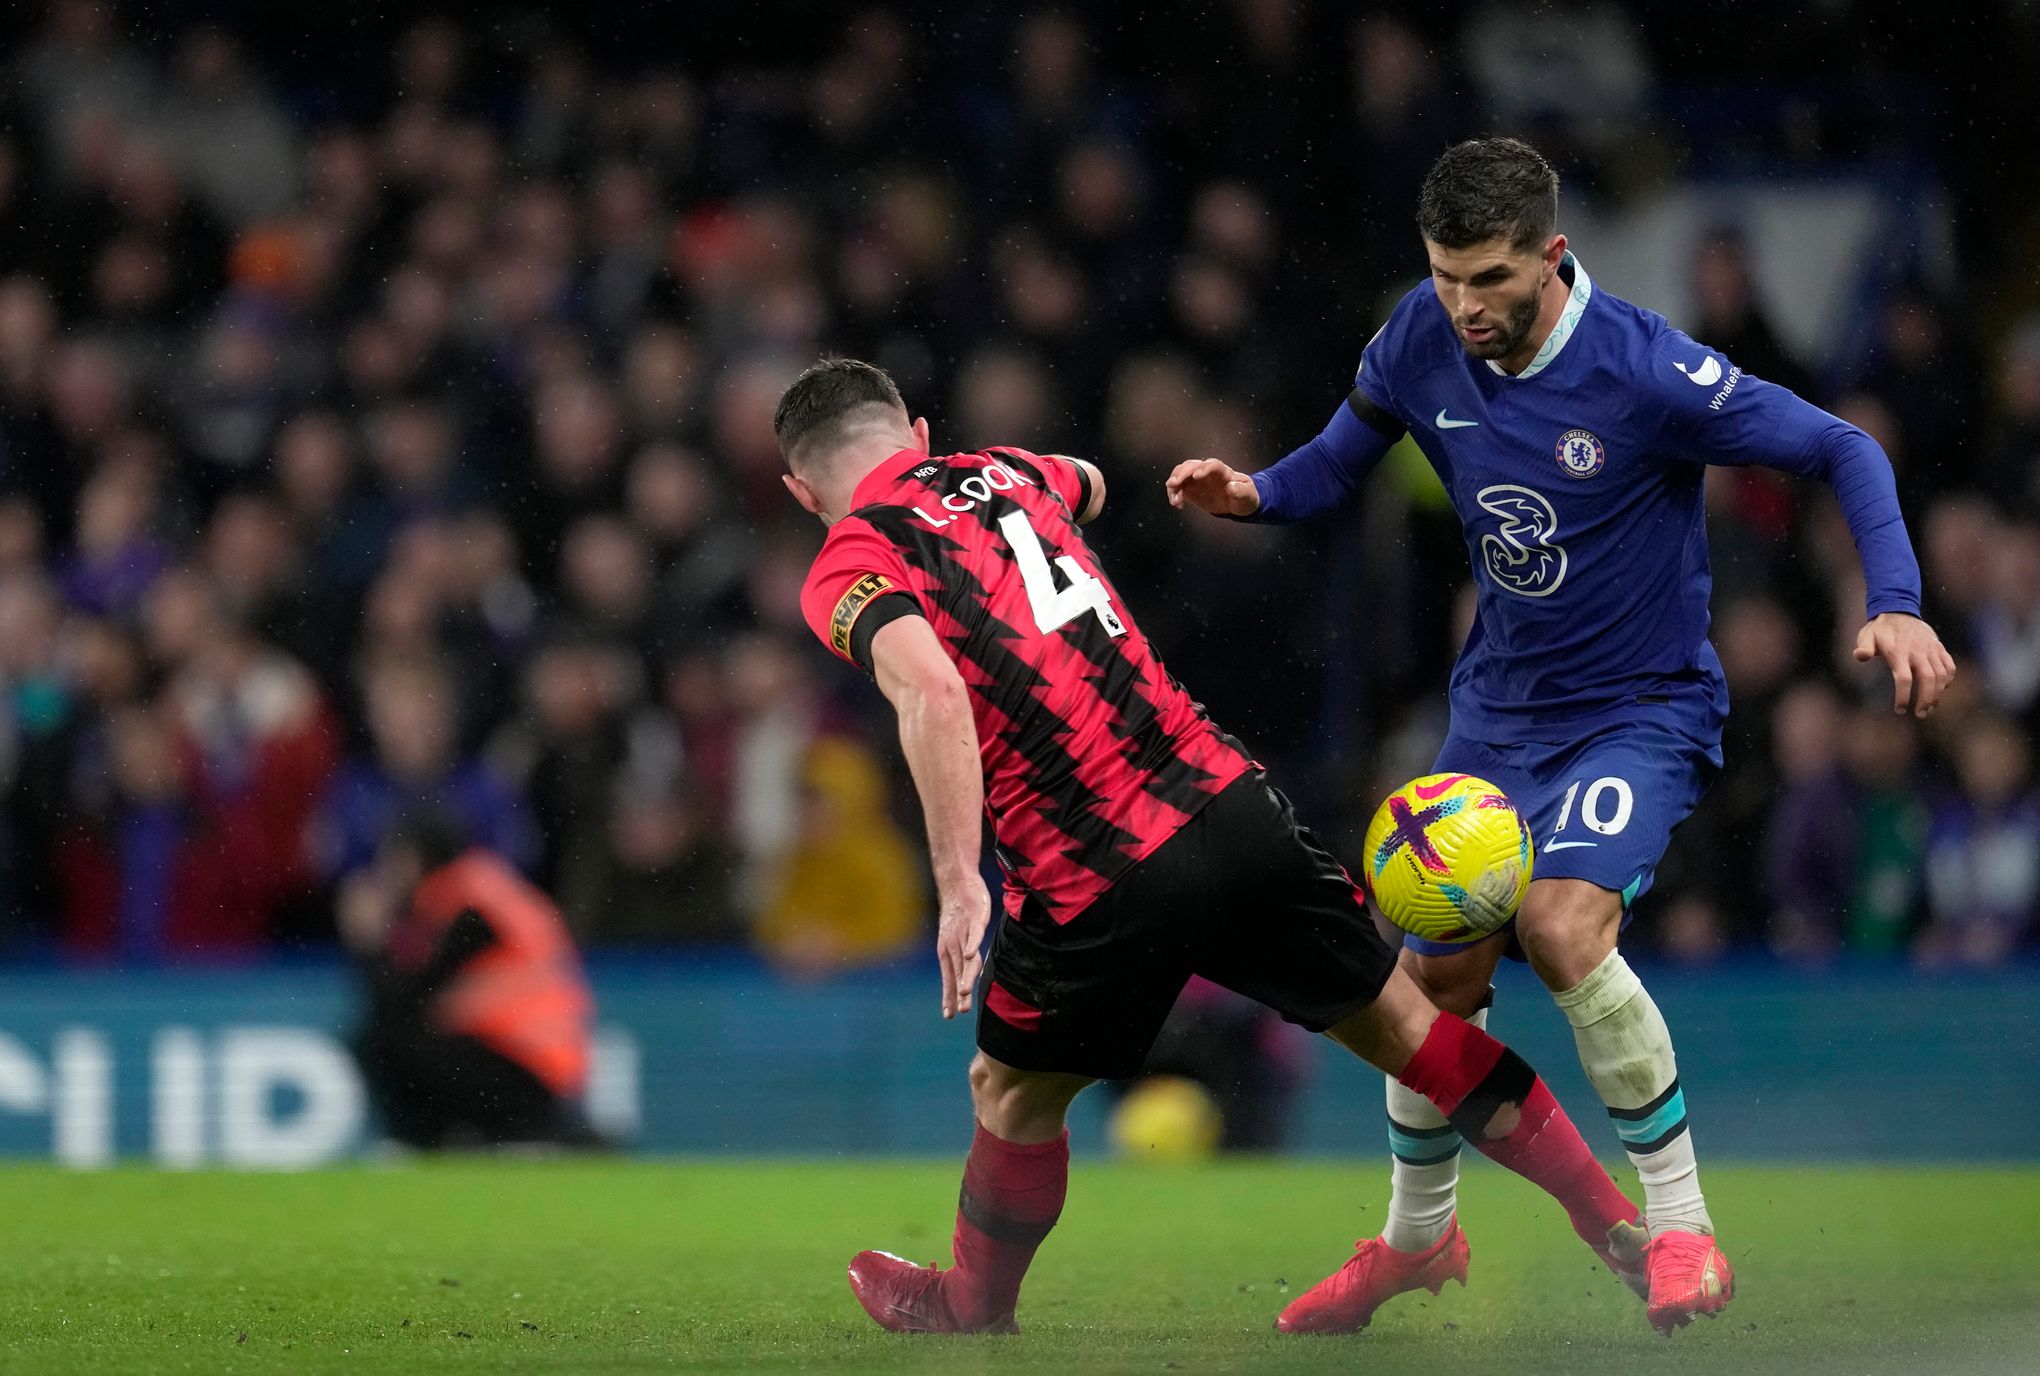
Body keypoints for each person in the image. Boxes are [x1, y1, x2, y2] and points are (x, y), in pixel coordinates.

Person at [1167, 136, 1958, 1333]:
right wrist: (1257, 493)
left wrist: (1893, 597)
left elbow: (1842, 444)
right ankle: (1417, 1242)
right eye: (1445, 275)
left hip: (1638, 708)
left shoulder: (1646, 369)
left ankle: (1684, 1227)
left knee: (1561, 919)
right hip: (1498, 712)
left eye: (1489, 277)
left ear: (1553, 255)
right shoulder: (1419, 333)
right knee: (1432, 972)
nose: (1465, 305)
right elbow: (1345, 454)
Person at [775, 357, 1651, 1338]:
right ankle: (1623, 1224)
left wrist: (956, 882)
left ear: (802, 492)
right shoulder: (1016, 470)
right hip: (1225, 800)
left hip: (1089, 865)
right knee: (1410, 1032)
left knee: (1011, 1093)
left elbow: (931, 692)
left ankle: (972, 1302)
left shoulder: (851, 555)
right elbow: (1089, 479)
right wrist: (1017, 484)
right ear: (922, 433)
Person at [341, 811, 601, 1150]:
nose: (389, 875)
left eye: (395, 861)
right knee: (400, 1037)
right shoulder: (485, 890)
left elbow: (404, 998)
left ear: (419, 858)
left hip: (524, 1064)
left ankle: (426, 1144)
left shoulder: (469, 908)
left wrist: (367, 944)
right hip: (535, 1062)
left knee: (381, 1040)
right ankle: (509, 1134)